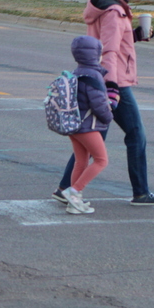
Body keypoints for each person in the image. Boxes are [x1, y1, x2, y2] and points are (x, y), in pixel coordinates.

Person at [52, 0, 154, 206]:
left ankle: (65, 187)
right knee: (135, 133)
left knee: (91, 137)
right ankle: (141, 192)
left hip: (96, 77)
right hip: (111, 81)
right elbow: (109, 51)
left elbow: (109, 43)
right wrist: (112, 88)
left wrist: (137, 35)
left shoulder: (102, 4)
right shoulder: (114, 12)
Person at [61, 36, 114, 215]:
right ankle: (74, 191)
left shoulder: (77, 72)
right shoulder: (94, 75)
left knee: (81, 161)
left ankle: (74, 202)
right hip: (87, 126)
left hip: (74, 124)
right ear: (95, 55)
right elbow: (99, 103)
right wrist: (109, 115)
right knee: (101, 160)